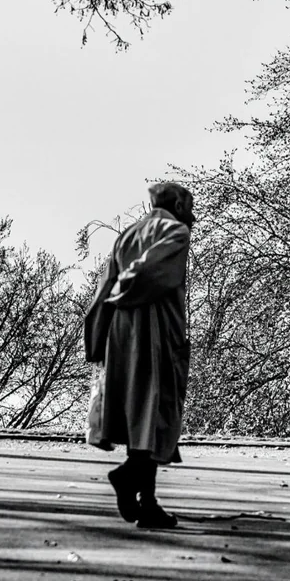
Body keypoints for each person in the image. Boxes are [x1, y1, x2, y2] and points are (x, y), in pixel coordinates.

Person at [83, 180, 194, 529]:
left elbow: (102, 288)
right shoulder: (176, 231)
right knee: (155, 408)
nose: (192, 215)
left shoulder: (128, 235)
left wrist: (97, 338)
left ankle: (148, 504)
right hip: (153, 330)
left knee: (140, 414)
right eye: (189, 206)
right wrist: (125, 292)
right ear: (177, 205)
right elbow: (143, 273)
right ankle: (130, 477)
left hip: (121, 332)